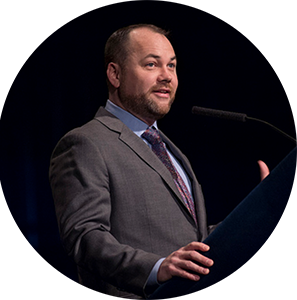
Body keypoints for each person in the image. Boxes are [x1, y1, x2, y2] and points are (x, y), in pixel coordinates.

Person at [49, 24, 269, 300]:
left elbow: (193, 243)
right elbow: (85, 238)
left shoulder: (169, 148)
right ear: (115, 74)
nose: (166, 76)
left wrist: (257, 211)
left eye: (172, 66)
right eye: (151, 64)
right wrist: (155, 268)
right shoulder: (86, 143)